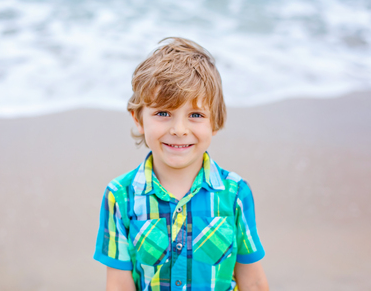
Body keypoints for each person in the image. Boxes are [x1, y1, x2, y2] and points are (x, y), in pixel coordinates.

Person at [94, 37, 269, 291]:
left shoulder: (235, 194)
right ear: (139, 119)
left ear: (215, 122)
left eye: (196, 115)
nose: (179, 129)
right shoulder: (119, 196)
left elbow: (252, 281)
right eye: (163, 113)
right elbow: (119, 286)